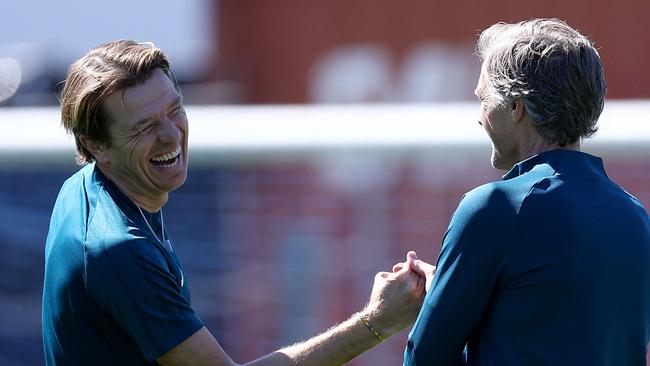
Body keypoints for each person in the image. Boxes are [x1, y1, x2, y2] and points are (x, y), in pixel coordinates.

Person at [41, 40, 435, 366]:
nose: (170, 136)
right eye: (145, 127)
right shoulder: (119, 249)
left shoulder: (86, 188)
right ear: (96, 145)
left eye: (175, 110)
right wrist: (377, 321)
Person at [404, 18, 650, 365]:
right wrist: (446, 288)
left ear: (515, 107)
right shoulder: (635, 217)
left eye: (484, 99)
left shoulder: (494, 208)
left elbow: (424, 359)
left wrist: (429, 311)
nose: (479, 116)